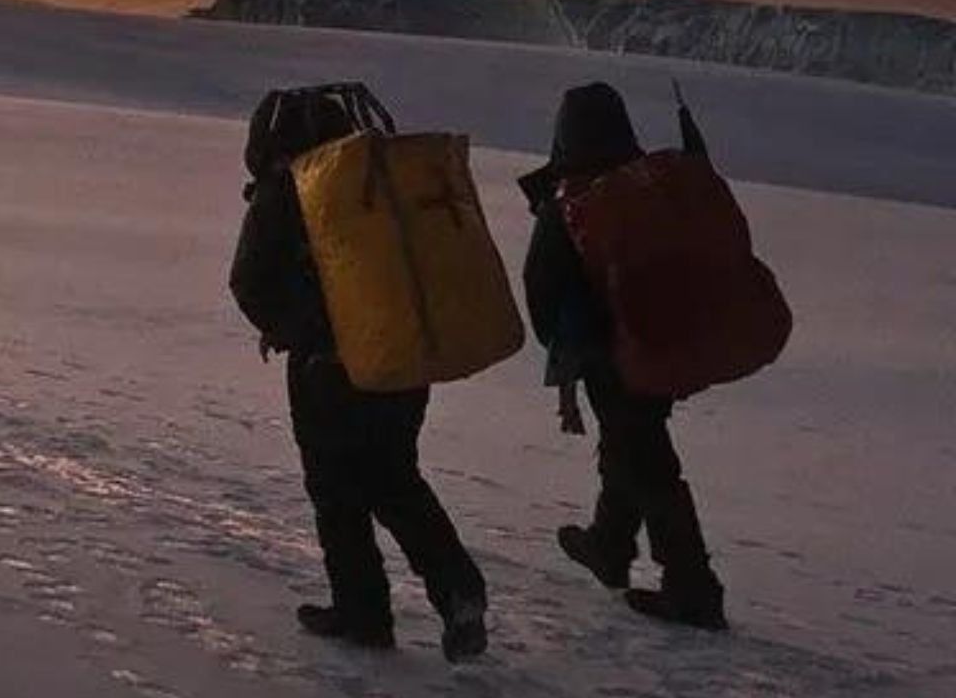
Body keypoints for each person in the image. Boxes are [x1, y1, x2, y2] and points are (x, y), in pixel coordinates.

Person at [229, 89, 488, 661]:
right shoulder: (379, 182)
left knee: (336, 490)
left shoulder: (292, 187)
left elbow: (248, 280)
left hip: (328, 370)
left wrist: (299, 330)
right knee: (395, 478)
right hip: (400, 357)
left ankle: (362, 612)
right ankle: (459, 589)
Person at [521, 82, 728, 631]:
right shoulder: (652, 185)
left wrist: (574, 351)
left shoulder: (573, 200)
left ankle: (692, 587)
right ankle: (608, 546)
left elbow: (542, 290)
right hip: (664, 343)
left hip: (611, 355)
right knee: (633, 444)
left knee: (649, 463)